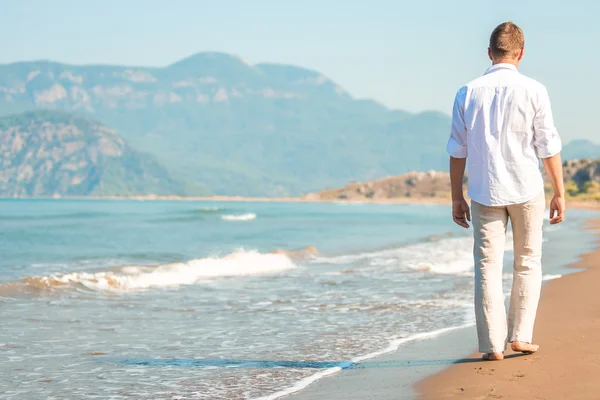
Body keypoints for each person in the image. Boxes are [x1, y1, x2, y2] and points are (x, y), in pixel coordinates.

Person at [447, 21, 565, 361]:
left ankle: (491, 346)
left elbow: (458, 150)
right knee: (527, 262)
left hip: (485, 191)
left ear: (489, 53)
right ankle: (520, 337)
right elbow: (548, 145)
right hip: (527, 188)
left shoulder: (467, 92)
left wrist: (457, 196)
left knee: (487, 266)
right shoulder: (535, 90)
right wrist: (559, 191)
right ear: (521, 53)